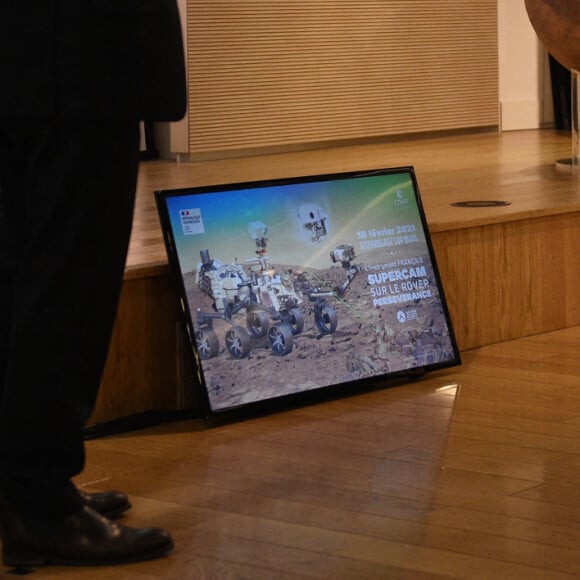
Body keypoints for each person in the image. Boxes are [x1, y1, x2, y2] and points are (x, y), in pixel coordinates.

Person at [0, 0, 186, 567]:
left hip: (24, 54)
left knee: (18, 268)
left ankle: (20, 485)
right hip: (82, 50)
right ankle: (40, 503)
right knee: (69, 282)